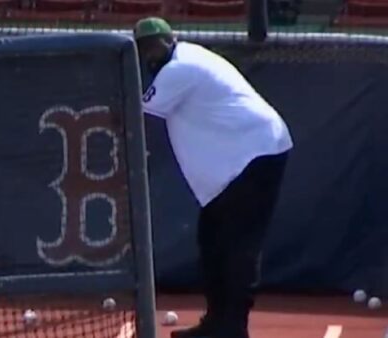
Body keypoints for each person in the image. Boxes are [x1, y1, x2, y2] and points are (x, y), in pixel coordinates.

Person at [134, 17, 293, 338]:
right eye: (145, 47)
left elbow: (137, 118)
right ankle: (218, 323)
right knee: (212, 241)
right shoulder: (183, 60)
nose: (152, 52)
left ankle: (233, 328)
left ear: (171, 40)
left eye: (157, 44)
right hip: (237, 165)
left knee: (237, 245)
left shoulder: (180, 69)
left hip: (255, 155)